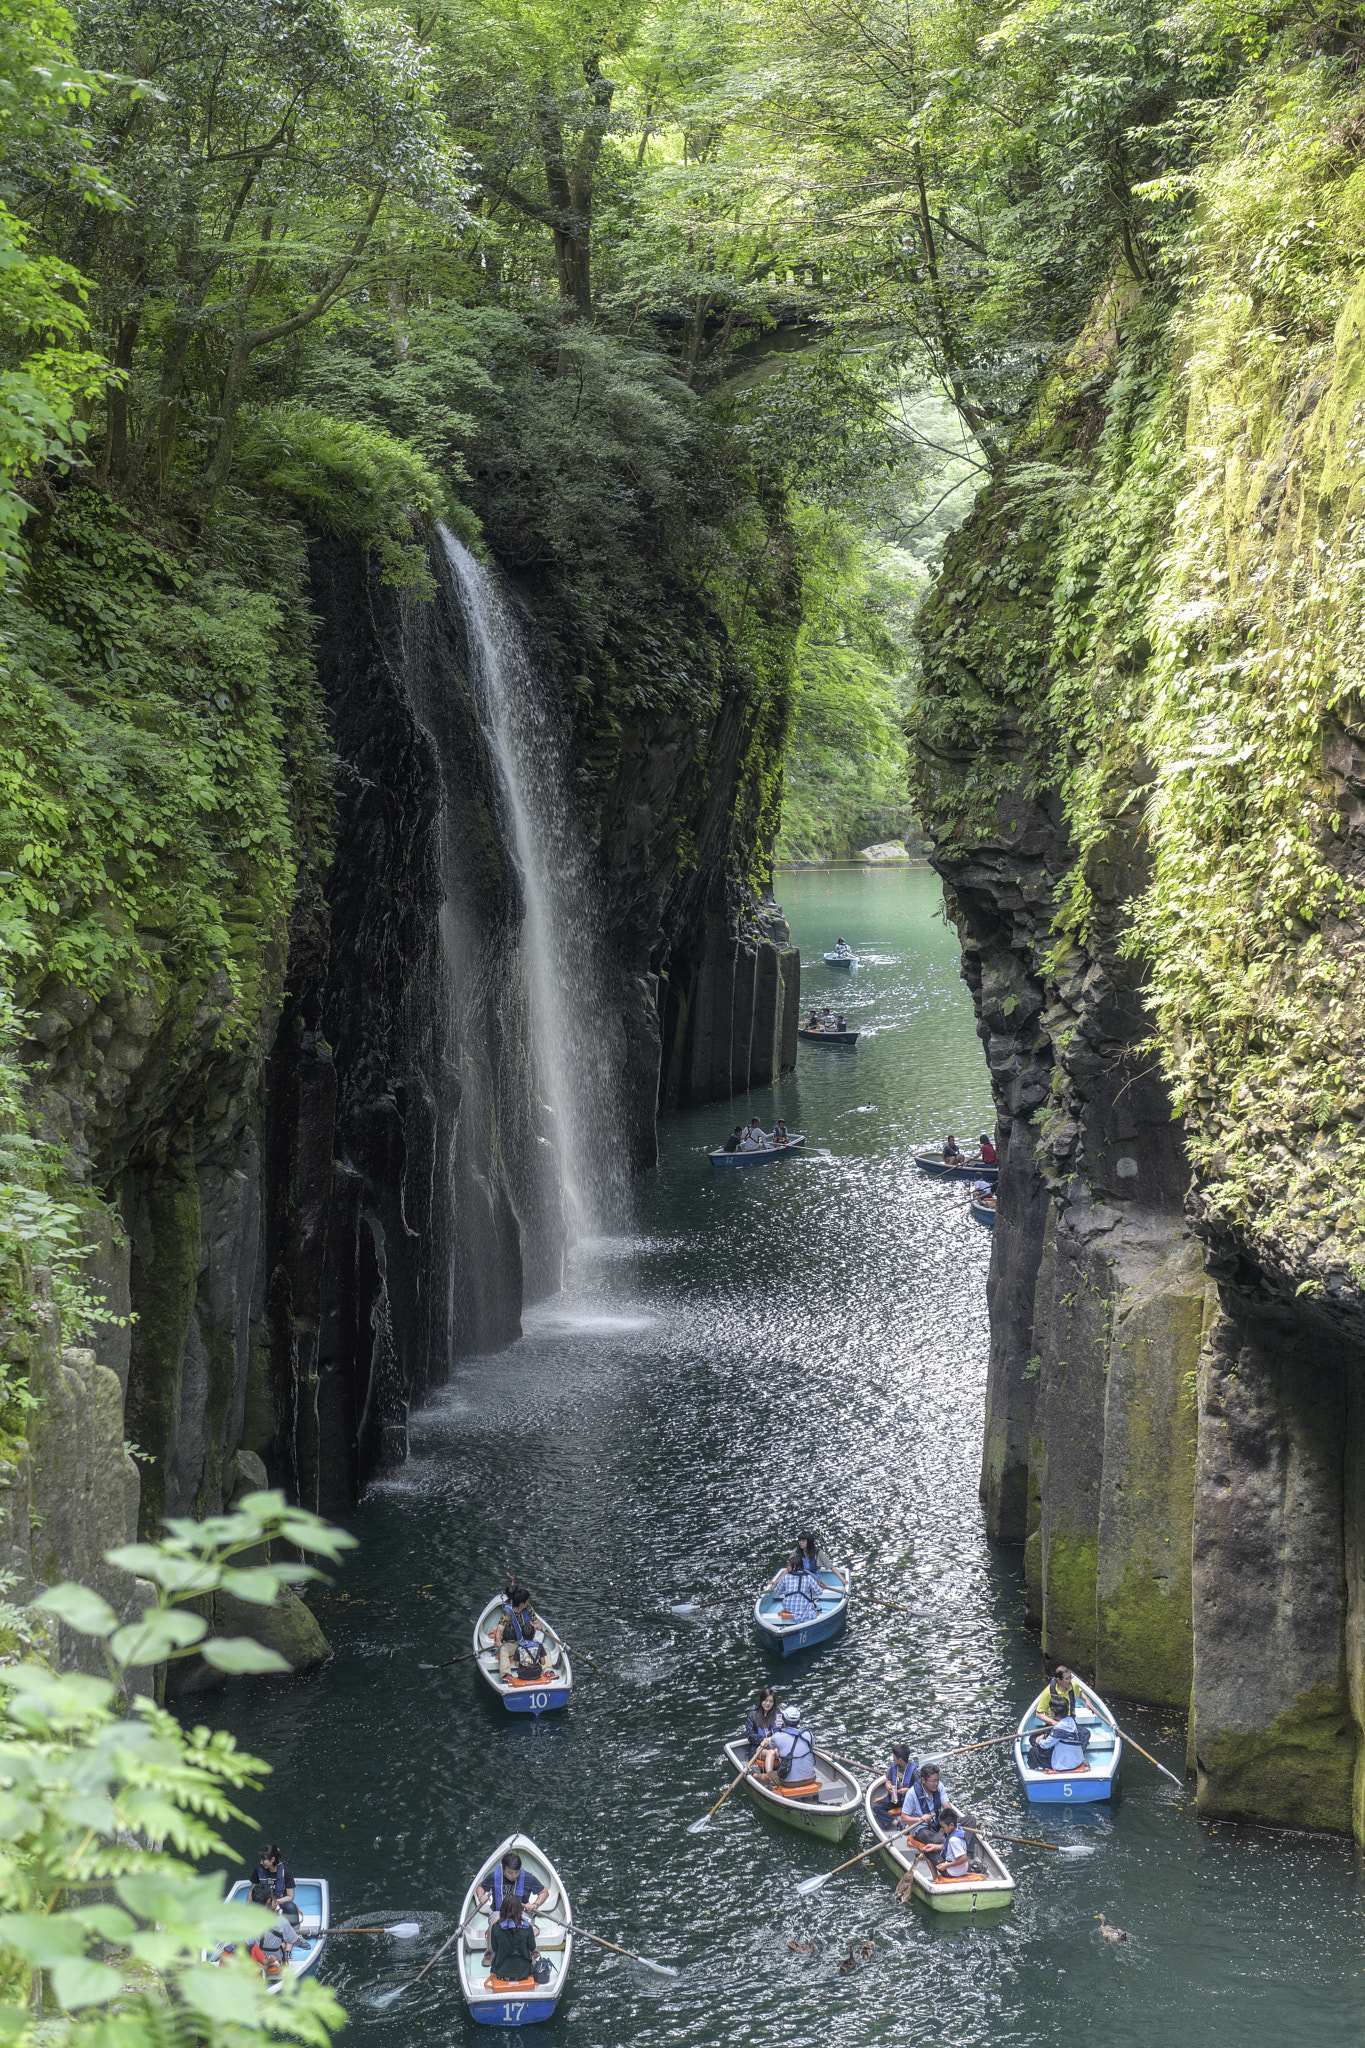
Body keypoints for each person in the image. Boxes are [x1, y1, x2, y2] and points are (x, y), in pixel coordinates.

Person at [488, 1892, 552, 1986]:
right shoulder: (528, 1927)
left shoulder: (495, 1927)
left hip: (501, 1973)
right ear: (520, 1910)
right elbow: (532, 1947)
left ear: (502, 1909)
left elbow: (494, 1948)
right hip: (524, 1973)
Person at [248, 1883, 299, 1979]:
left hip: (254, 1959)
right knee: (282, 1944)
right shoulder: (281, 1921)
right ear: (268, 1901)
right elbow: (295, 1940)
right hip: (274, 1960)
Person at [494, 1585, 543, 1678]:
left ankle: (548, 1671)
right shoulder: (507, 1613)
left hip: (528, 1642)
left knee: (543, 1647)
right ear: (521, 1603)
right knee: (502, 1650)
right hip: (512, 1643)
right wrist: (498, 1640)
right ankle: (506, 1675)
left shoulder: (528, 1608)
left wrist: (538, 1626)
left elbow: (536, 1622)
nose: (528, 1602)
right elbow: (499, 1629)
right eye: (527, 1601)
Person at [755, 1716, 818, 1790]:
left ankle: (754, 1775)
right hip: (811, 1779)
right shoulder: (809, 1734)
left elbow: (769, 1745)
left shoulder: (777, 1737)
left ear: (783, 1722)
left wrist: (765, 1741)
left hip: (789, 1782)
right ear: (799, 1722)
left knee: (768, 1776)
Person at [899, 1763, 948, 1840]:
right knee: (941, 1840)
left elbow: (947, 1805)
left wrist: (951, 1817)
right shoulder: (912, 1793)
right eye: (933, 1781)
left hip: (938, 1822)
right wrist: (921, 1819)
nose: (936, 1784)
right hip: (922, 1827)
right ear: (923, 1780)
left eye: (937, 1780)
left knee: (968, 1821)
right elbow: (903, 1819)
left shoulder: (939, 1786)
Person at [872, 1742, 916, 1822]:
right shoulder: (894, 1767)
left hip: (907, 1802)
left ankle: (900, 1810)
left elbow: (919, 1790)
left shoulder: (914, 1772)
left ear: (900, 1760)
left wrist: (908, 1790)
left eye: (894, 1756)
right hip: (894, 1798)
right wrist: (888, 1784)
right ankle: (895, 1822)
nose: (893, 1758)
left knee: (913, 1811)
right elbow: (888, 1780)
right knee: (875, 1807)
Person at [745, 1685, 781, 1757]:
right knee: (771, 1753)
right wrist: (762, 1740)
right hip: (758, 1746)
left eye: (771, 1702)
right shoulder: (753, 1714)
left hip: (773, 1744)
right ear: (761, 1700)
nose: (768, 1704)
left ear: (773, 1703)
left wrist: (769, 1740)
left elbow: (779, 1732)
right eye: (765, 1700)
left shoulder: (778, 1715)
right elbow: (750, 1735)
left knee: (777, 1751)